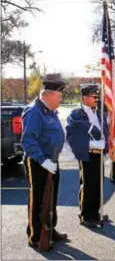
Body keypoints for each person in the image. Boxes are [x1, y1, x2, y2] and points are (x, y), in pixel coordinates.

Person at [21, 79, 68, 249]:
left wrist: (51, 160)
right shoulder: (34, 111)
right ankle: (35, 235)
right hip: (38, 162)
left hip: (52, 160)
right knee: (39, 198)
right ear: (49, 95)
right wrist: (43, 160)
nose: (61, 100)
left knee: (51, 197)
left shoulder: (50, 111)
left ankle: (49, 229)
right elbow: (28, 140)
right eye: (59, 96)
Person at [65, 84, 109, 228]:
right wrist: (93, 144)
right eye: (94, 96)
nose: (97, 99)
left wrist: (105, 144)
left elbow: (104, 129)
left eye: (97, 96)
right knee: (88, 184)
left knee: (98, 184)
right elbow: (73, 133)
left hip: (99, 154)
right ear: (84, 98)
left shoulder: (98, 112)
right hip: (88, 153)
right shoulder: (77, 113)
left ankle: (95, 212)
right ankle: (85, 215)